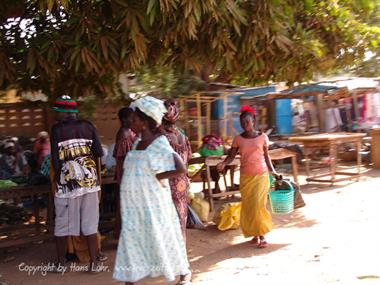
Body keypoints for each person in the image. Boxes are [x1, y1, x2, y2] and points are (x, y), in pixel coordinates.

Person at [113, 96, 192, 285]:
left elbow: (180, 168)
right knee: (132, 239)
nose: (130, 122)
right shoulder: (137, 142)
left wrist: (158, 177)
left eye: (134, 119)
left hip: (153, 205)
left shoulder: (158, 143)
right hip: (134, 207)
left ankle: (184, 273)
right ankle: (129, 280)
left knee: (164, 238)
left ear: (145, 122)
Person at [50, 95, 104, 273]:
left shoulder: (57, 130)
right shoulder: (88, 127)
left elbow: (56, 162)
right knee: (90, 224)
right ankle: (95, 263)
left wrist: (57, 182)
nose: (54, 115)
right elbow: (97, 152)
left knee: (62, 224)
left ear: (62, 113)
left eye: (56, 112)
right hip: (89, 183)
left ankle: (60, 263)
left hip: (67, 185)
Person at [217, 105, 279, 248]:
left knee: (258, 206)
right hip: (245, 177)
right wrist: (224, 163)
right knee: (249, 207)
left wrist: (272, 171)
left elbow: (266, 156)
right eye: (242, 123)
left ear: (253, 121)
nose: (245, 125)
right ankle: (255, 234)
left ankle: (262, 235)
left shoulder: (263, 137)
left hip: (261, 175)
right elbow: (231, 156)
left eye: (247, 122)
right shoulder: (238, 139)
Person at [162, 99, 192, 242]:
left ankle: (172, 256)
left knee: (167, 220)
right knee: (181, 217)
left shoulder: (161, 137)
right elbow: (189, 157)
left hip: (167, 183)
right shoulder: (182, 135)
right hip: (182, 183)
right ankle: (181, 253)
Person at [112, 107, 136, 239]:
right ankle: (123, 235)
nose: (133, 120)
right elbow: (127, 157)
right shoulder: (123, 134)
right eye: (131, 118)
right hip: (126, 173)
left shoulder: (130, 132)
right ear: (124, 119)